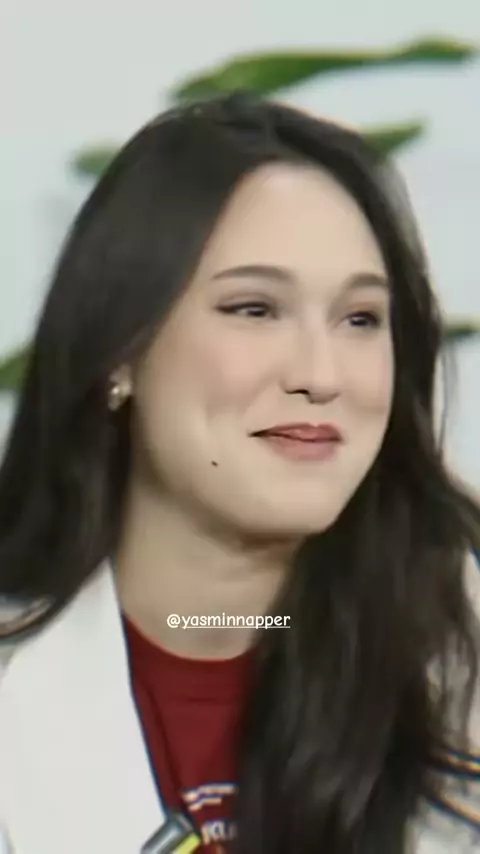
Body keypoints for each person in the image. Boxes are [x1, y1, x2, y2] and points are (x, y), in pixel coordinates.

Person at [0, 93, 479, 854]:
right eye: (254, 309)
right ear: (120, 350)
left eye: (360, 319)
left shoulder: (455, 676)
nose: (321, 375)